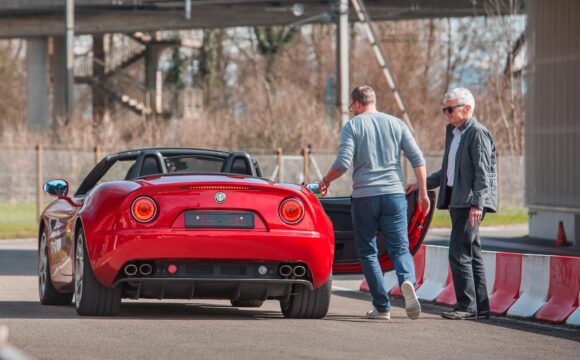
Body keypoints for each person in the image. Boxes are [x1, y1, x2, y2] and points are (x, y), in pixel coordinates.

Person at [319, 85, 430, 320]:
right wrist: (423, 192)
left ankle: (382, 307)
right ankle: (407, 281)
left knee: (368, 251)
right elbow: (418, 159)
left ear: (357, 104)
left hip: (364, 198)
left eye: (352, 107)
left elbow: (342, 163)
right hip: (394, 195)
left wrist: (325, 180)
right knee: (400, 247)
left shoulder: (353, 126)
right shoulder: (397, 124)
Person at [406, 87, 497, 320]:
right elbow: (448, 171)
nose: (446, 114)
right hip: (459, 202)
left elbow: (483, 174)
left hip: (469, 204)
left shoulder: (477, 133)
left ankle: (467, 306)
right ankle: (481, 307)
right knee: (471, 253)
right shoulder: (455, 133)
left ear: (467, 109)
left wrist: (478, 204)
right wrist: (422, 184)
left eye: (450, 109)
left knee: (459, 254)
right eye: (444, 110)